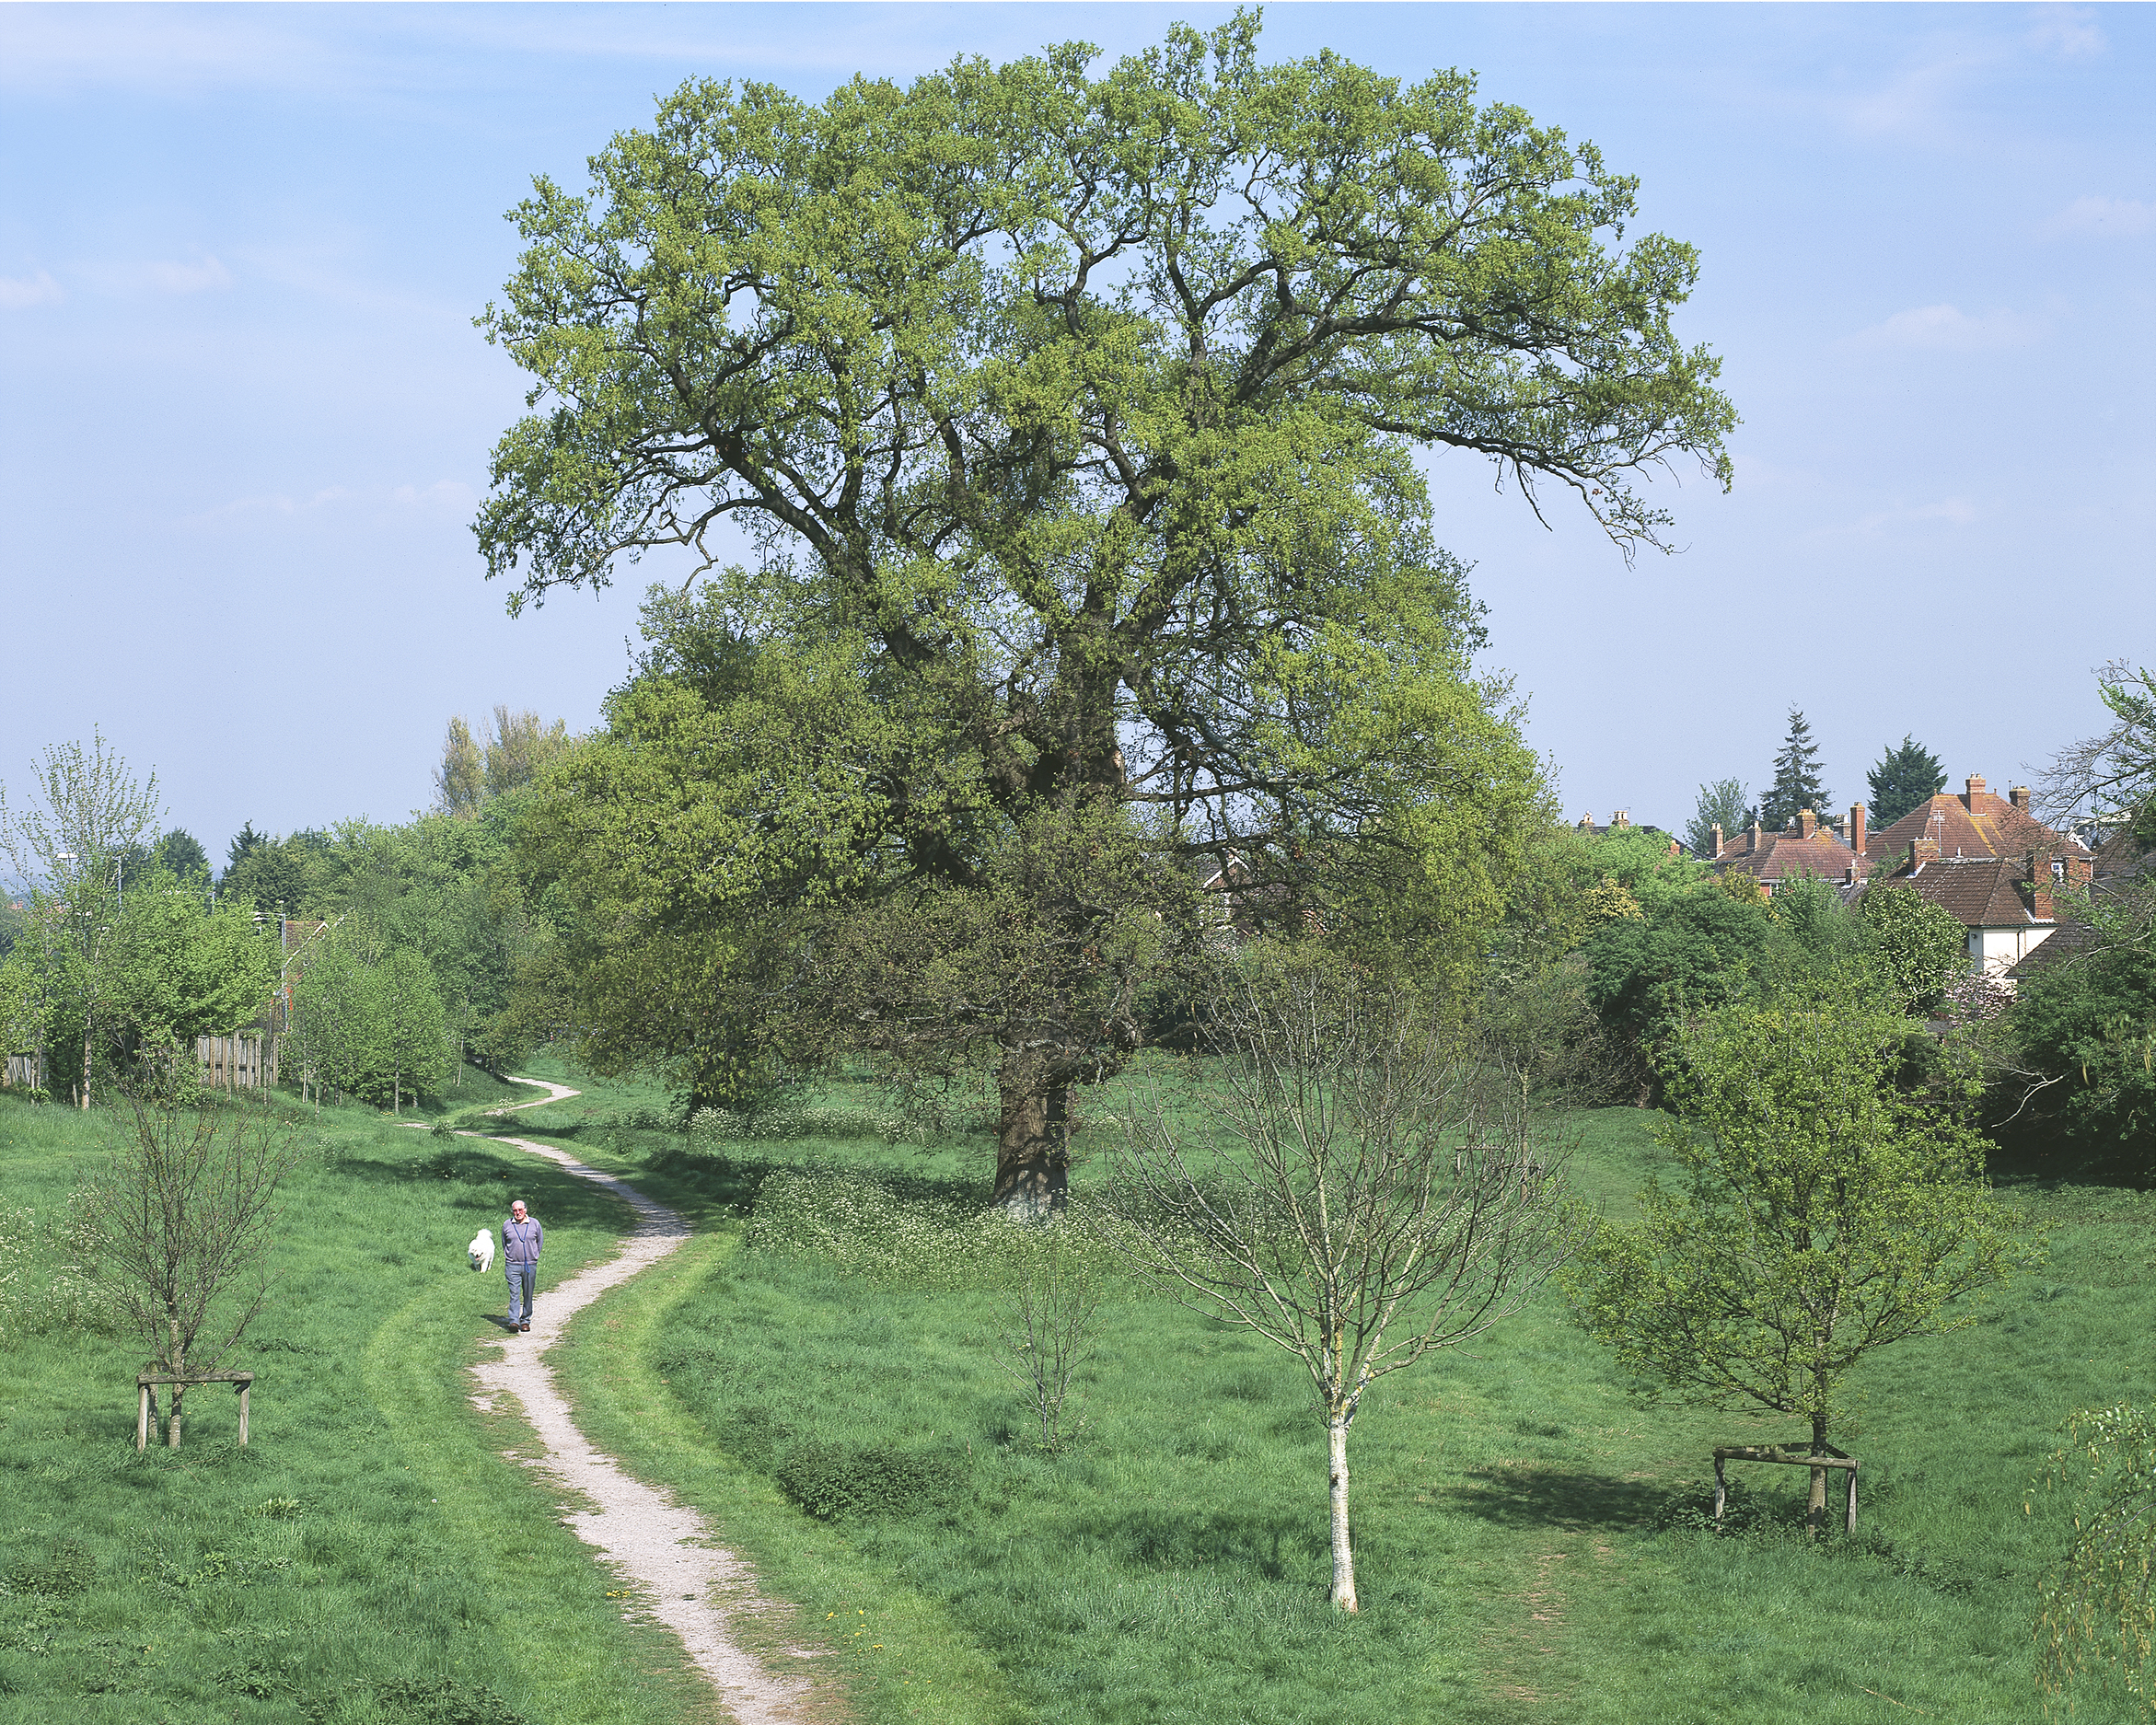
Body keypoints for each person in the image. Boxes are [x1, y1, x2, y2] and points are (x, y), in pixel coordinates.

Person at [502, 1198, 543, 1333]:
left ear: (525, 1210)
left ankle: (525, 1320)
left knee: (528, 1293)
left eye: (520, 1210)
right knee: (514, 1293)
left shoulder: (535, 1223)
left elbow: (539, 1241)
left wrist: (534, 1256)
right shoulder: (507, 1224)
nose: (517, 1213)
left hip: (529, 1265)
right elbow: (504, 1243)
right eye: (515, 1210)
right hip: (512, 1265)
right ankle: (514, 1321)